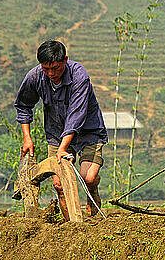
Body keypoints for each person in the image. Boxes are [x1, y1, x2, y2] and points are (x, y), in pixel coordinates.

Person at [15, 40, 108, 220]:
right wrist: (27, 138)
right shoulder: (35, 76)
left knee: (88, 177)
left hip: (89, 130)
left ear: (65, 60)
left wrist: (63, 148)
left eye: (56, 68)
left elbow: (76, 114)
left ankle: (93, 192)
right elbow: (23, 105)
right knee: (59, 184)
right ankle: (70, 226)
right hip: (56, 133)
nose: (51, 73)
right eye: (46, 69)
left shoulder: (79, 75)